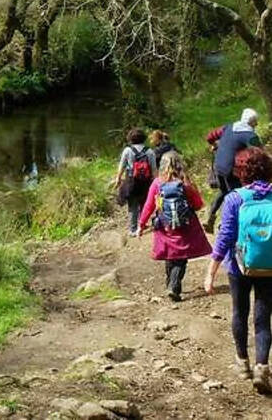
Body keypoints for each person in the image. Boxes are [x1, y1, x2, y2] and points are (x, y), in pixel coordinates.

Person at [205, 147, 272, 394]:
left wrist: (211, 272)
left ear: (241, 172)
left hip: (239, 266)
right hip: (270, 266)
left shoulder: (234, 198)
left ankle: (243, 362)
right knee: (264, 318)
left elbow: (224, 237)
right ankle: (262, 367)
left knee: (239, 312)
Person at [136, 151, 211, 301]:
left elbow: (148, 206)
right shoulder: (185, 182)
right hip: (185, 226)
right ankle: (173, 286)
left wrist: (141, 225)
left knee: (170, 256)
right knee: (181, 258)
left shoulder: (157, 183)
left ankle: (170, 284)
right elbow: (198, 204)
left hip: (164, 226)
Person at [205, 108, 262, 233]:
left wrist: (214, 145)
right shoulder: (250, 135)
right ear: (251, 122)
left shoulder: (228, 127)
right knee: (237, 195)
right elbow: (260, 155)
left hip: (218, 166)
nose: (256, 125)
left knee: (224, 191)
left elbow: (210, 136)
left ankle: (210, 216)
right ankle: (227, 223)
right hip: (232, 169)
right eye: (255, 122)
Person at [116, 128, 157, 237]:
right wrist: (155, 182)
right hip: (146, 182)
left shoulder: (127, 150)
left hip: (131, 181)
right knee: (144, 203)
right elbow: (154, 170)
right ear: (144, 138)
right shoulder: (149, 151)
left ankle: (133, 229)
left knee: (132, 205)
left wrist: (118, 178)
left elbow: (122, 166)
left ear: (131, 138)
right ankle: (142, 225)